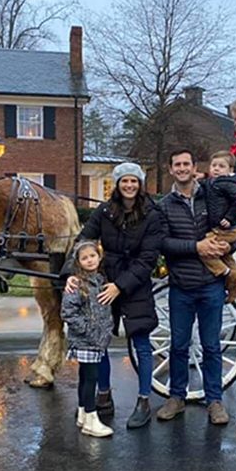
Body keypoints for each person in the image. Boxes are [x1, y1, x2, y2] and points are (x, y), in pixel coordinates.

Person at [65, 162, 163, 429]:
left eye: (134, 181)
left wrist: (120, 285)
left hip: (135, 284)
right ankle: (104, 395)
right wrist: (72, 273)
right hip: (105, 281)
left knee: (141, 344)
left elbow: (147, 259)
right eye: (124, 181)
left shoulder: (152, 215)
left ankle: (143, 401)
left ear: (140, 184)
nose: (129, 186)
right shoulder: (106, 211)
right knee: (100, 342)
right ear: (117, 185)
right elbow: (84, 240)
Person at [155, 149, 231, 425]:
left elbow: (233, 224)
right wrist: (196, 247)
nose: (182, 168)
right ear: (171, 169)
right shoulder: (164, 205)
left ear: (194, 167)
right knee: (178, 345)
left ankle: (215, 401)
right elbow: (164, 243)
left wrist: (228, 244)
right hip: (182, 285)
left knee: (211, 346)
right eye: (177, 164)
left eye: (186, 163)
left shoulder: (212, 195)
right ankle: (177, 397)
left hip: (211, 283)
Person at [61, 240, 114, 438]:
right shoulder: (76, 284)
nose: (90, 260)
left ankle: (83, 412)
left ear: (99, 257)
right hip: (87, 340)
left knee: (85, 377)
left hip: (96, 339)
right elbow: (68, 312)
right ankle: (91, 419)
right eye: (84, 258)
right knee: (90, 378)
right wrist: (88, 330)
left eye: (92, 256)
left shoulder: (99, 280)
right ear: (78, 262)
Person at [202, 150, 236, 304]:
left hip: (225, 229)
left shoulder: (227, 183)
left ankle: (228, 274)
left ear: (230, 170)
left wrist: (229, 217)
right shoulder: (213, 182)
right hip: (220, 227)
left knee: (205, 250)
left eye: (221, 166)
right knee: (226, 256)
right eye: (213, 165)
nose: (216, 168)